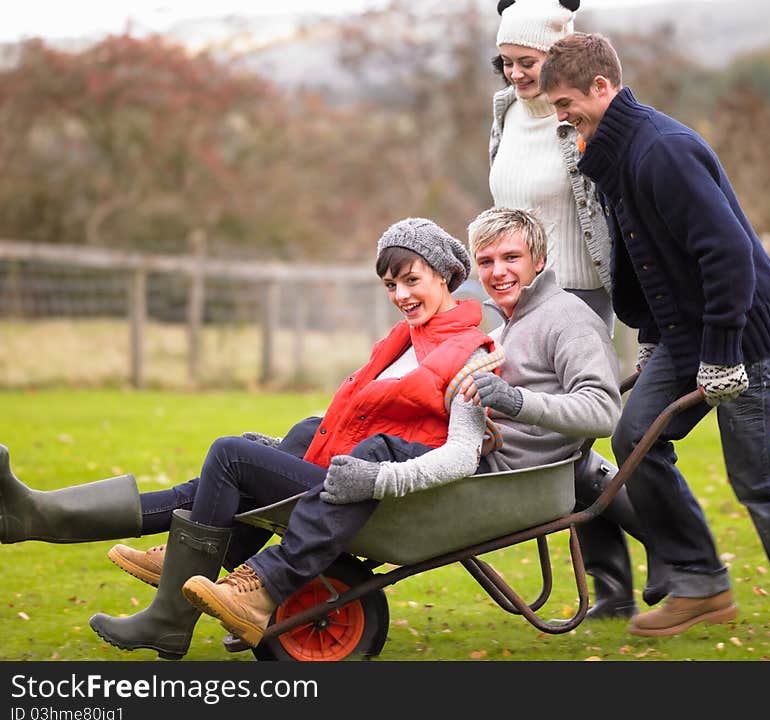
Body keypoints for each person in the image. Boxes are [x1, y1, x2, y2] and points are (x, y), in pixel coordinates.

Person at [0, 217, 501, 659]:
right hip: (344, 474)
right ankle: (46, 515)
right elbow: (358, 421)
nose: (401, 295)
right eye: (391, 285)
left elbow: (447, 443)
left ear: (445, 276)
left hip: (379, 489)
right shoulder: (403, 342)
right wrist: (288, 448)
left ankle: (169, 602)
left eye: (411, 280)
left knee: (231, 457)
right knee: (223, 476)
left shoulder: (469, 350)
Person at [539, 32, 770, 639]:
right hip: (687, 337)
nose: (560, 118)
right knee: (634, 436)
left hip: (742, 333)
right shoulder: (615, 154)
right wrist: (651, 337)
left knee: (757, 475)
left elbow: (728, 257)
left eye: (564, 104)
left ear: (601, 87)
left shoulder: (660, 150)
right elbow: (643, 256)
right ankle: (699, 583)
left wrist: (721, 354)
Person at [185, 206, 630, 646]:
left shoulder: (566, 318)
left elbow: (602, 412)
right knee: (306, 434)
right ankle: (210, 564)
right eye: (487, 261)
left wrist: (515, 401)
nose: (498, 272)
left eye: (511, 258)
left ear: (539, 259)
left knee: (361, 453)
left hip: (505, 482)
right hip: (486, 465)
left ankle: (237, 575)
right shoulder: (514, 321)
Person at [488, 0, 668, 616]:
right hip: (523, 293)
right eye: (505, 62)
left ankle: (673, 553)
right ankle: (626, 583)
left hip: (580, 292)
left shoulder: (584, 117)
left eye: (527, 61)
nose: (514, 74)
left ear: (556, 52)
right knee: (565, 450)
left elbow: (622, 206)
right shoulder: (505, 111)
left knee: (566, 442)